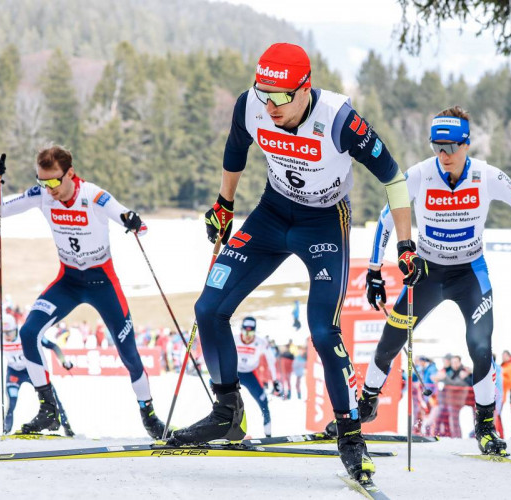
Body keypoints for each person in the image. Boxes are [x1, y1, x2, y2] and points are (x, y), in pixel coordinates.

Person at [168, 42, 423, 481]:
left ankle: (349, 434)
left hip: (324, 223)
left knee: (323, 330)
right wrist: (223, 205)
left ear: (305, 89)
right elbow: (235, 148)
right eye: (263, 93)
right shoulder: (252, 104)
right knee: (208, 308)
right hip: (270, 213)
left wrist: (405, 245)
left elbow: (394, 178)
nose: (270, 106)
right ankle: (227, 411)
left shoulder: (341, 120)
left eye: (281, 97)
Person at [356, 106, 511, 455]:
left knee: (480, 347)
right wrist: (373, 271)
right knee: (390, 341)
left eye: (450, 147)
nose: (443, 155)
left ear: (467, 145)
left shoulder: (487, 176)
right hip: (427, 272)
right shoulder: (419, 175)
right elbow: (386, 219)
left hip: (470, 274)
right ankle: (365, 405)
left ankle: (486, 426)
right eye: (436, 147)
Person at [0, 148, 166, 439]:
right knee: (28, 332)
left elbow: (137, 225)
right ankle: (48, 411)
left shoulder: (93, 195)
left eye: (53, 182)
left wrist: (133, 221)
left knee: (129, 354)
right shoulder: (42, 194)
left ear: (70, 173)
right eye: (42, 182)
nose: (49, 190)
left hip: (102, 283)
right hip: (68, 281)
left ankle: (149, 416)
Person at [0, 314, 74, 435]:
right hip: (14, 372)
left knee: (52, 398)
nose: (7, 336)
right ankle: (6, 431)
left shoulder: (26, 333)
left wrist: (63, 361)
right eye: (5, 333)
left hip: (32, 370)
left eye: (10, 332)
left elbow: (53, 346)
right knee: (11, 402)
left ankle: (68, 430)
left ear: (16, 329)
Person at [231, 317, 280, 437]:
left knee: (264, 402)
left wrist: (275, 381)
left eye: (251, 332)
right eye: (245, 332)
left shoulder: (261, 342)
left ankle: (268, 435)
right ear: (241, 330)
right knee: (227, 402)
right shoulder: (234, 338)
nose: (248, 336)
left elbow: (271, 361)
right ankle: (227, 431)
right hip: (233, 372)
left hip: (250, 374)